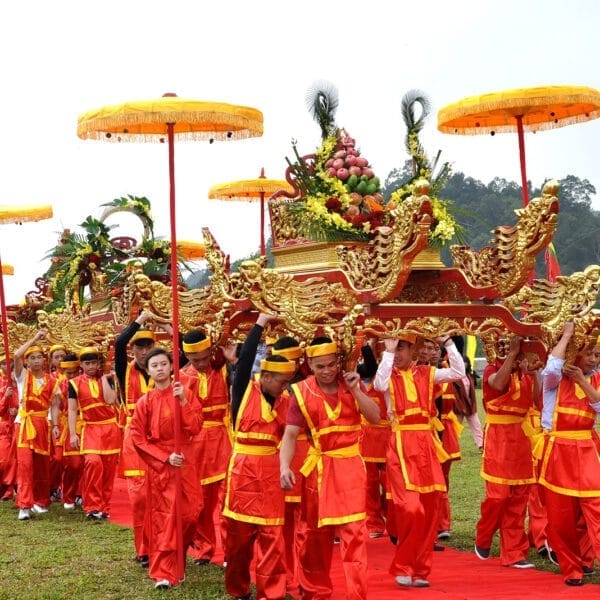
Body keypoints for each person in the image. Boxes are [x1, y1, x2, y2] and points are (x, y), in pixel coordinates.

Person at [280, 336, 380, 600]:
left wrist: (357, 390)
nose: (326, 371)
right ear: (309, 365)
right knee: (314, 537)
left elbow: (375, 416)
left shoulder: (351, 385)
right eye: (319, 366)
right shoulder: (300, 392)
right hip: (319, 471)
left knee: (355, 536)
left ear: (338, 361)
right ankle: (315, 592)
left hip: (350, 470)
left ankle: (356, 595)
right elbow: (290, 435)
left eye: (330, 364)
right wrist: (284, 467)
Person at [374, 333, 465, 588]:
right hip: (401, 446)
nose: (399, 353)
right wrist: (388, 351)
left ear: (414, 350)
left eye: (403, 348)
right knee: (411, 509)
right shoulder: (388, 375)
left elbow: (458, 372)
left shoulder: (427, 373)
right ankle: (403, 565)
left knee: (430, 510)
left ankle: (420, 570)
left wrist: (447, 343)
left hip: (426, 447)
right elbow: (380, 385)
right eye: (396, 348)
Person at [223, 313, 296, 600]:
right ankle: (239, 590)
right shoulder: (243, 393)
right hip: (243, 474)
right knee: (238, 543)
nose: (285, 386)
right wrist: (260, 322)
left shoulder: (287, 400)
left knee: (273, 540)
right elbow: (244, 363)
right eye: (281, 381)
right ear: (265, 377)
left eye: (289, 381)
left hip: (271, 477)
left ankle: (272, 593)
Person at [130, 346, 203, 589]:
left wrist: (182, 399)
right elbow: (137, 438)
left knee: (192, 512)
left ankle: (178, 559)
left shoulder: (186, 394)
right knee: (164, 518)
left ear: (171, 366)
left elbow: (194, 427)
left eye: (163, 364)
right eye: (154, 365)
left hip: (186, 461)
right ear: (147, 371)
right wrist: (163, 457)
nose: (160, 369)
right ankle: (163, 571)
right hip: (161, 465)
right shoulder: (145, 401)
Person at [539, 322, 600, 586]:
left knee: (595, 509)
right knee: (561, 516)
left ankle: (588, 557)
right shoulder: (554, 381)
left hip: (587, 449)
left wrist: (582, 382)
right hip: (558, 451)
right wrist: (566, 336)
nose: (594, 359)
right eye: (590, 354)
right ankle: (571, 568)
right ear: (576, 354)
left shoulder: (596, 378)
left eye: (597, 355)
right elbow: (552, 366)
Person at [474, 335, 539, 568]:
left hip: (521, 438)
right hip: (499, 437)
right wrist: (511, 356)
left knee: (519, 497)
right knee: (498, 496)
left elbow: (537, 400)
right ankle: (484, 532)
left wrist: (534, 373)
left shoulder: (524, 372)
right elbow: (497, 385)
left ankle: (514, 553)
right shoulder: (493, 367)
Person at [180, 328, 234, 567]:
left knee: (227, 500)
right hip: (195, 443)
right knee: (200, 501)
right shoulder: (180, 377)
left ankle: (231, 551)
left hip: (223, 440)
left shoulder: (224, 370)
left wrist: (233, 362)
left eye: (204, 357)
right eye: (195, 360)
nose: (201, 363)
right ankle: (203, 548)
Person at [114, 310, 164, 566]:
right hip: (134, 444)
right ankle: (143, 549)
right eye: (139, 347)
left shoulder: (163, 372)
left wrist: (166, 320)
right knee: (140, 500)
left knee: (161, 498)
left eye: (148, 346)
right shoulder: (125, 371)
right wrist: (141, 319)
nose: (143, 351)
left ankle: (162, 545)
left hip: (160, 442)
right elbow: (118, 343)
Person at [68, 346, 120, 519]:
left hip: (110, 428)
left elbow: (111, 400)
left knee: (108, 469)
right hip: (90, 428)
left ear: (99, 363)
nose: (91, 366)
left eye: (94, 362)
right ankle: (91, 505)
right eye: (87, 363)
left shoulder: (108, 379)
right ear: (81, 364)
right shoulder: (74, 383)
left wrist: (104, 377)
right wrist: (73, 433)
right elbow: (72, 410)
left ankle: (104, 506)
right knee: (92, 463)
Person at [13, 330, 57, 520]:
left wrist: (55, 424)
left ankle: (40, 501)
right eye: (32, 357)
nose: (36, 361)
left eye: (39, 357)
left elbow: (55, 405)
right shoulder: (22, 376)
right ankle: (24, 505)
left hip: (42, 426)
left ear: (44, 360)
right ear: (27, 361)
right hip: (24, 424)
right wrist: (35, 339)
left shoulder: (52, 380)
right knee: (25, 465)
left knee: (41, 466)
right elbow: (16, 355)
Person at [50, 353, 82, 510]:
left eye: (74, 372)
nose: (71, 375)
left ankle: (76, 494)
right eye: (68, 373)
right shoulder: (57, 384)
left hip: (82, 425)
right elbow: (55, 405)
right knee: (60, 460)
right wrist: (55, 425)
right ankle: (61, 491)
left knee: (78, 463)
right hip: (63, 426)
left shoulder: (84, 382)